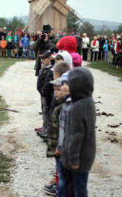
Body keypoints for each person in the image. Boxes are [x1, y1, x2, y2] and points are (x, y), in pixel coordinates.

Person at [60, 67, 96, 197]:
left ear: (77, 86)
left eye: (69, 83)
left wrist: (74, 160)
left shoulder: (78, 107)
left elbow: (77, 135)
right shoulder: (88, 101)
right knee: (78, 187)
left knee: (77, 189)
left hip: (77, 159)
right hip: (85, 157)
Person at [44, 62, 70, 196]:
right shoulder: (61, 103)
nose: (55, 92)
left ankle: (60, 189)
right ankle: (59, 187)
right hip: (58, 144)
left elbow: (64, 129)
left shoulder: (66, 107)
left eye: (57, 89)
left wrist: (59, 146)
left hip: (63, 147)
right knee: (60, 171)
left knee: (63, 174)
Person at [36, 51, 53, 138]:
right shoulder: (44, 68)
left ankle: (46, 131)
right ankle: (44, 128)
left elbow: (48, 84)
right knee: (44, 112)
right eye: (41, 59)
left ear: (48, 59)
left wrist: (44, 92)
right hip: (42, 94)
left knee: (46, 113)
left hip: (46, 95)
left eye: (43, 59)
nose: (41, 60)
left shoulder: (51, 70)